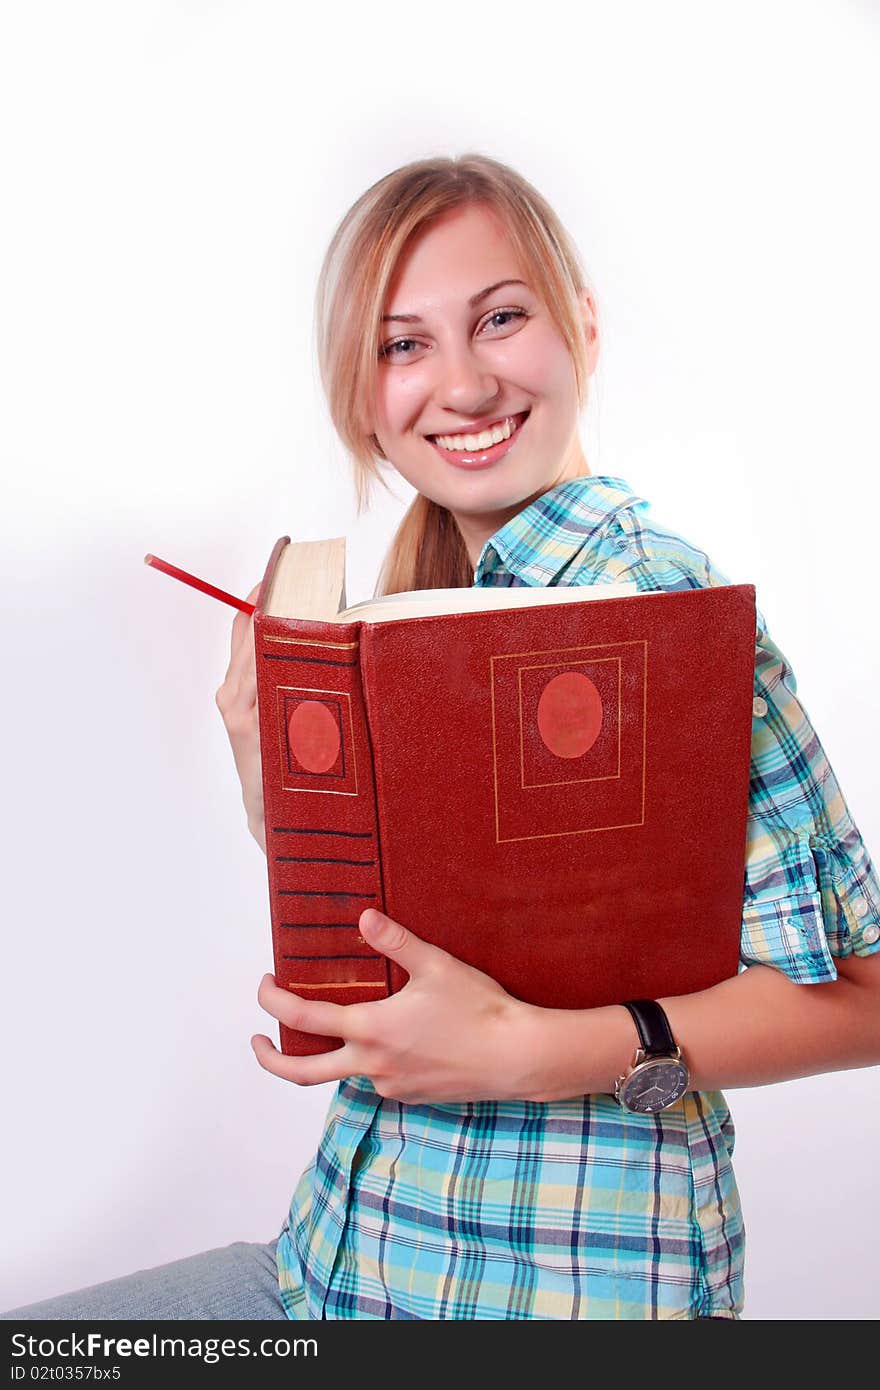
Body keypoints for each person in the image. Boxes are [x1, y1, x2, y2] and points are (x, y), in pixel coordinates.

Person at [5, 153, 879, 1323]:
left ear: (580, 324)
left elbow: (867, 995)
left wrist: (527, 1052)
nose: (460, 386)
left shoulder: (664, 609)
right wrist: (263, 765)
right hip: (335, 1262)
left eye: (500, 320)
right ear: (359, 390)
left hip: (564, 1300)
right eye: (402, 344)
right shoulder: (410, 608)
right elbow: (417, 936)